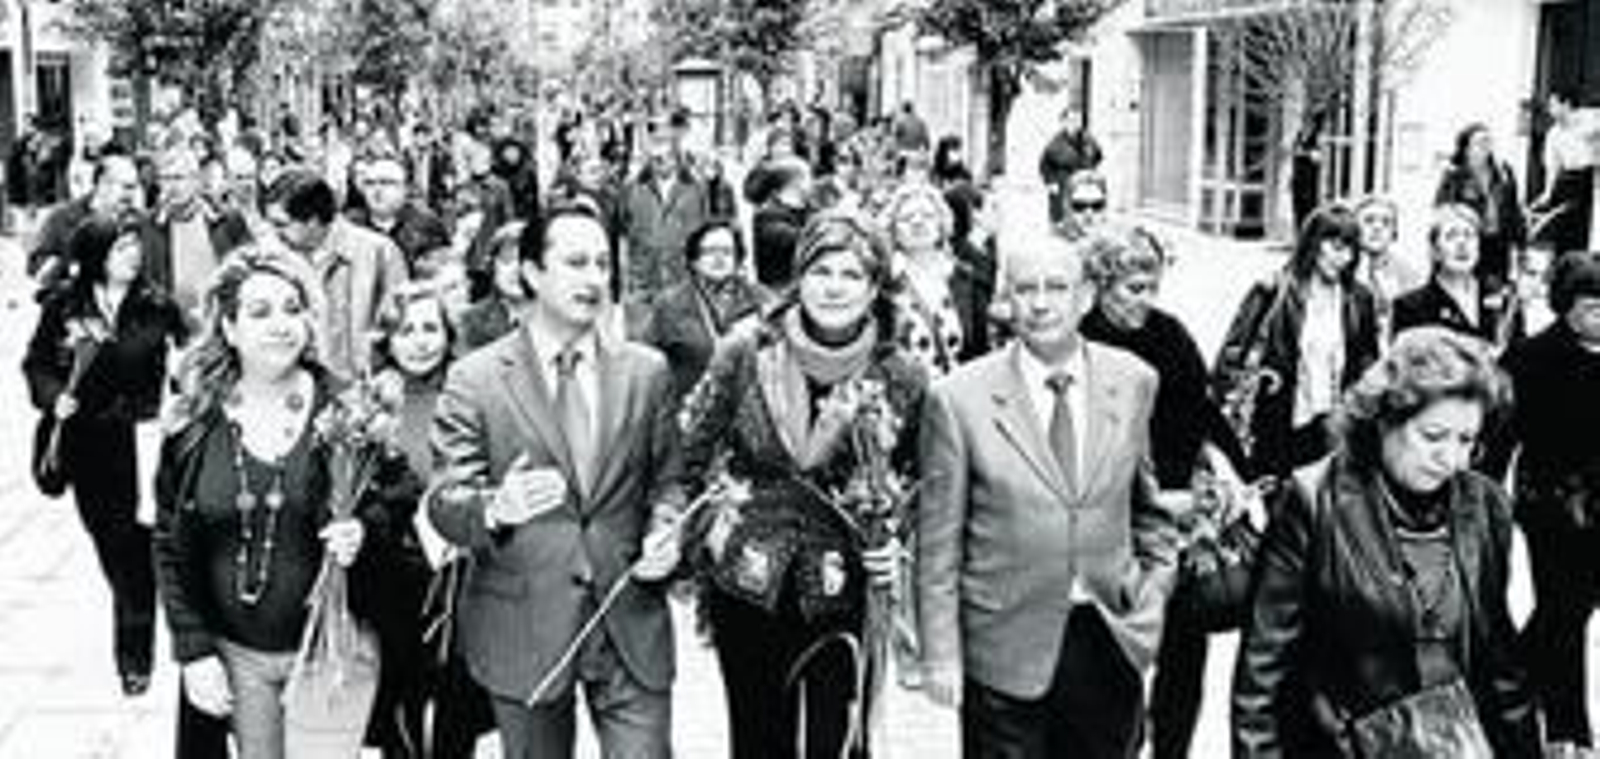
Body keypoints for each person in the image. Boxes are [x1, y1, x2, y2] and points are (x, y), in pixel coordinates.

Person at [426, 204, 685, 759]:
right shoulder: (475, 379)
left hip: (629, 617)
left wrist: (667, 529)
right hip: (524, 625)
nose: (593, 278)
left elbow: (669, 481)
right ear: (531, 273)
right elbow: (445, 502)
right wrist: (495, 506)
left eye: (601, 264)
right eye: (574, 262)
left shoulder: (647, 372)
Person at [918, 226, 1181, 759]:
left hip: (1108, 635)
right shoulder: (958, 400)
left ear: (1086, 296)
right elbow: (938, 543)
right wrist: (941, 655)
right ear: (1004, 302)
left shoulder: (1133, 381)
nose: (1040, 304)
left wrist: (1151, 599)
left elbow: (1147, 510)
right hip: (1004, 645)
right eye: (1024, 289)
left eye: (1056, 288)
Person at [679, 210, 926, 758]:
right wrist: (686, 524)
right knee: (759, 740)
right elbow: (689, 453)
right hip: (750, 579)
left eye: (851, 274)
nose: (834, 287)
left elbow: (925, 478)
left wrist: (896, 542)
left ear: (875, 286)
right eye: (821, 271)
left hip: (848, 588)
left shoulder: (900, 371)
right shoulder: (747, 350)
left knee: (838, 744)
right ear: (798, 276)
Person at [1232, 326, 1541, 758]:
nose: (1450, 458)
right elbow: (1262, 675)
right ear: (1384, 420)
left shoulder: (1485, 505)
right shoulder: (1313, 499)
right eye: (1433, 436)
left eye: (1467, 440)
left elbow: (1501, 663)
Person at [152, 247, 396, 758]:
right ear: (229, 328)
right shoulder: (193, 424)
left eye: (292, 308)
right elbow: (169, 544)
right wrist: (194, 650)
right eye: (260, 313)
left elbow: (397, 499)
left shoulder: (349, 409)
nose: (281, 324)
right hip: (238, 655)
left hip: (332, 654)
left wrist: (366, 528)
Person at [1073, 225, 1252, 758]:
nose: (1145, 301)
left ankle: (1174, 749)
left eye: (1152, 286)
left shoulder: (1170, 334)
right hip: (1114, 516)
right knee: (1118, 649)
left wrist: (1233, 473)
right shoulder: (1079, 340)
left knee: (1184, 646)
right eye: (1133, 288)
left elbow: (1203, 409)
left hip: (1181, 515)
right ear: (1101, 284)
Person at [23, 213, 187, 697]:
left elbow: (186, 362)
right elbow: (35, 362)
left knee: (147, 548)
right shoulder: (64, 306)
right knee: (117, 553)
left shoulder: (158, 306)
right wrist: (55, 396)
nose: (133, 255)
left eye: (135, 245)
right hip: (90, 450)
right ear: (96, 256)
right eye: (121, 248)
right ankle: (136, 630)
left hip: (146, 445)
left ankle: (135, 659)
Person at [365, 282, 489, 757]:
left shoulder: (470, 395)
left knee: (458, 691)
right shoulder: (371, 403)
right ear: (387, 339)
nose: (420, 341)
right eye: (406, 330)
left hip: (461, 567)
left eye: (430, 328)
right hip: (395, 573)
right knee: (401, 694)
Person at [1488, 249, 1600, 755]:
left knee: (1567, 613)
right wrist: (1484, 498)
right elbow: (1500, 438)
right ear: (1565, 305)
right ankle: (1567, 730)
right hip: (1549, 505)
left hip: (1598, 507)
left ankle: (1508, 680)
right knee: (1564, 609)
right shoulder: (1532, 356)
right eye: (1591, 305)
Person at [1214, 202, 1382, 481]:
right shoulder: (1274, 289)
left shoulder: (1359, 298)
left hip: (1333, 423)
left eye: (1350, 249)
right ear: (1313, 244)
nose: (1343, 258)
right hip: (1279, 419)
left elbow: (1367, 361)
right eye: (1335, 246)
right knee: (1275, 500)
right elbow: (1233, 354)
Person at [262, 168, 409, 380]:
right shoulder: (273, 257)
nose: (274, 233)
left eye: (281, 225)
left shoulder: (379, 253)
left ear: (312, 221)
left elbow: (402, 330)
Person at [634, 219, 769, 403]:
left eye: (727, 252)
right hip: (688, 414)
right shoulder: (669, 305)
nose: (719, 258)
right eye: (710, 251)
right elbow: (645, 361)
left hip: (747, 415)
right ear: (694, 260)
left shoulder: (759, 299)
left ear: (738, 259)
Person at [881, 181, 988, 374]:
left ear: (941, 224)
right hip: (903, 395)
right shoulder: (884, 282)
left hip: (955, 394)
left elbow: (980, 350)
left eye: (928, 216)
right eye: (906, 218)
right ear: (893, 230)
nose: (918, 222)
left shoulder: (964, 277)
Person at [143, 147, 254, 323]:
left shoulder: (226, 219)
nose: (172, 186)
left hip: (221, 317)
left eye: (179, 178)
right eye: (165, 179)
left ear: (196, 180)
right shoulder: (149, 225)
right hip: (172, 322)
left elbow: (249, 264)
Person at [1394, 204, 1520, 349]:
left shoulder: (1504, 297)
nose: (1462, 244)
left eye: (1469, 235)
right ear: (1435, 250)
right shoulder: (1411, 307)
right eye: (1451, 236)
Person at [618, 119, 709, 304]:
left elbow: (703, 235)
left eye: (666, 156)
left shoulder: (695, 189)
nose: (661, 161)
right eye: (655, 157)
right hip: (641, 285)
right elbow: (622, 233)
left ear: (677, 157)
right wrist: (625, 277)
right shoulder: (633, 189)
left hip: (682, 283)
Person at [1435, 123, 1528, 291]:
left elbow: (1514, 209)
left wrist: (1521, 244)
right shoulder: (1455, 175)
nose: (1486, 146)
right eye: (1480, 142)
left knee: (1495, 290)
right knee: (1467, 286)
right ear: (1466, 148)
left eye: (1489, 141)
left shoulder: (1503, 171)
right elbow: (1443, 209)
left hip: (1499, 243)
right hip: (1468, 241)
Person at [28, 150, 143, 284]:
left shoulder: (138, 222)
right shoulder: (62, 217)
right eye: (127, 187)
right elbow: (36, 266)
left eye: (135, 187)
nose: (131, 195)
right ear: (102, 184)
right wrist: (67, 267)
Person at [347, 149, 451, 277]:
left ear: (405, 189)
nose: (377, 189)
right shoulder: (350, 225)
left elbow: (445, 276)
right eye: (370, 183)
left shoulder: (427, 224)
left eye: (386, 183)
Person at [1532, 88, 1597, 256]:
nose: (1549, 109)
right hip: (1568, 180)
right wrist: (1547, 193)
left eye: (1553, 104)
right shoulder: (1553, 134)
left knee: (1588, 228)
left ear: (1566, 104)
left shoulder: (1591, 119)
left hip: (1591, 177)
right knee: (1564, 229)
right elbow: (1553, 166)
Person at [1353, 195, 1423, 346]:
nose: (1377, 228)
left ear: (1394, 233)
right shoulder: (1344, 268)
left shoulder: (1408, 275)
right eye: (1369, 220)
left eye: (1386, 222)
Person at [456, 221, 530, 354]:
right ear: (493, 266)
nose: (516, 270)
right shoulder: (471, 321)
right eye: (507, 261)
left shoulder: (562, 314)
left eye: (525, 261)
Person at [751, 157, 812, 290]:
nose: (812, 183)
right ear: (796, 183)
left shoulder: (807, 210)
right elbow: (799, 238)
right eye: (809, 178)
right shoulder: (767, 215)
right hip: (776, 292)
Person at [1039, 107, 1103, 225]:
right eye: (1071, 120)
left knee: (1085, 218)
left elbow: (1098, 155)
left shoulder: (1088, 140)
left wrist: (1090, 173)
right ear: (1064, 122)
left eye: (1078, 120)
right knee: (1062, 221)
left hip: (1083, 187)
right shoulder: (1055, 144)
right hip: (1063, 184)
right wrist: (1051, 182)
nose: (1075, 124)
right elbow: (1044, 166)